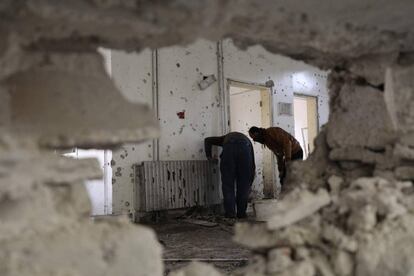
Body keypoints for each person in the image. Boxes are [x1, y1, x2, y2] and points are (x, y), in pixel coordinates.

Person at [204, 132, 255, 219]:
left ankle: (230, 214)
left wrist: (209, 157)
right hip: (245, 148)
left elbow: (207, 140)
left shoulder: (224, 138)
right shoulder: (247, 141)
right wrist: (250, 180)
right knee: (243, 185)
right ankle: (241, 214)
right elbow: (252, 164)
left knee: (228, 184)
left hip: (229, 147)